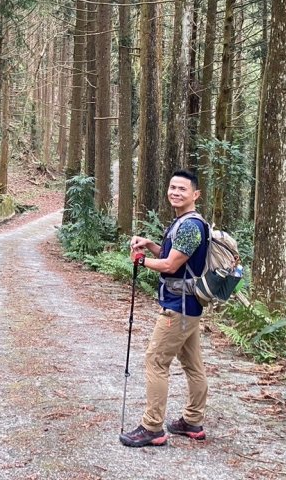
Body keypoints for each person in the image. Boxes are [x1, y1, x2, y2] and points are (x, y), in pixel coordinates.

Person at [119, 169, 209, 447]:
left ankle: (152, 427)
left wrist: (140, 260)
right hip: (188, 307)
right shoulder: (183, 222)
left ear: (195, 194)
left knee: (156, 361)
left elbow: (171, 266)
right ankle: (192, 421)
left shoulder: (191, 226)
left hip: (177, 308)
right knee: (193, 365)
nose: (175, 192)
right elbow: (173, 257)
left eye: (182, 189)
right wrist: (151, 246)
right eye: (172, 187)